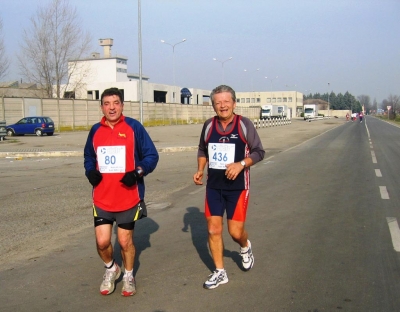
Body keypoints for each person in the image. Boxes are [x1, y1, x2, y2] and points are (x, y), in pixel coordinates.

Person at [84, 88, 159, 297]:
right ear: (102, 107)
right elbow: (89, 156)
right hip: (102, 198)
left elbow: (152, 156)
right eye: (107, 103)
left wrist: (137, 172)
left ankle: (128, 275)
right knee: (102, 242)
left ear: (122, 105)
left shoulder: (134, 127)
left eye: (116, 103)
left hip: (128, 197)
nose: (111, 107)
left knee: (125, 241)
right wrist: (90, 171)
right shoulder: (95, 130)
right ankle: (111, 269)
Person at [193, 85, 265, 289]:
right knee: (214, 229)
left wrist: (241, 164)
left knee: (235, 232)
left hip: (238, 187)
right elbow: (202, 150)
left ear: (234, 103)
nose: (222, 105)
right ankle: (220, 272)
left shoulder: (244, 125)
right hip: (214, 187)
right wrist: (200, 169)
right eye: (218, 102)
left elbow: (259, 152)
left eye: (226, 101)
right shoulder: (208, 126)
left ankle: (245, 246)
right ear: (213, 105)